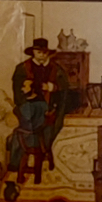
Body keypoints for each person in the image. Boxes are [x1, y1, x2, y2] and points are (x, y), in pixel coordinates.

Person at [8, 38, 70, 175]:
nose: (41, 55)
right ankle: (19, 158)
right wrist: (26, 102)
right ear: (33, 52)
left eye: (44, 52)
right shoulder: (23, 68)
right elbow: (17, 91)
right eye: (38, 52)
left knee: (48, 126)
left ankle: (43, 149)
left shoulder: (56, 69)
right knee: (24, 128)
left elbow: (65, 88)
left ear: (48, 53)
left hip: (49, 107)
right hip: (29, 106)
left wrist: (52, 87)